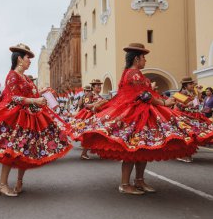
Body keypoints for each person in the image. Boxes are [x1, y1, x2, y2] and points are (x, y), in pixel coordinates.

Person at [72, 43, 213, 195]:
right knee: (132, 149)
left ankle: (139, 180)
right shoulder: (134, 74)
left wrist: (162, 99)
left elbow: (144, 93)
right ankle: (125, 184)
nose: (145, 61)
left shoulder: (130, 73)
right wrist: (164, 102)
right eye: (143, 58)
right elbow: (144, 95)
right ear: (137, 58)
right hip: (136, 114)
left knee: (142, 148)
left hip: (141, 112)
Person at [0, 43, 72, 196]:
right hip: (16, 119)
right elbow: (14, 98)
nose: (30, 61)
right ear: (19, 59)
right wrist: (36, 101)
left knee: (25, 150)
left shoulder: (25, 77)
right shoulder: (12, 75)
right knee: (12, 151)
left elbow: (32, 94)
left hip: (30, 117)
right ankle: (2, 184)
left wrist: (44, 94)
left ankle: (19, 182)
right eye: (28, 58)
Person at [73, 79, 107, 160]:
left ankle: (101, 153)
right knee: (90, 134)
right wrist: (98, 104)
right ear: (93, 87)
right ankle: (84, 153)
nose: (99, 87)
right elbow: (86, 105)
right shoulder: (90, 94)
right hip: (90, 117)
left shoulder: (100, 96)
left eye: (100, 86)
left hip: (99, 117)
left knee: (99, 134)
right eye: (97, 86)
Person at [175, 77, 206, 163]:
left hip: (193, 117)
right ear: (185, 86)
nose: (192, 85)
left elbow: (197, 104)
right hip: (183, 118)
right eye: (190, 84)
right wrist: (195, 99)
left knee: (193, 136)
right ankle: (183, 154)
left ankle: (187, 154)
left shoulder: (192, 94)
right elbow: (182, 106)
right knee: (186, 136)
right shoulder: (179, 94)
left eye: (192, 84)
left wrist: (199, 94)